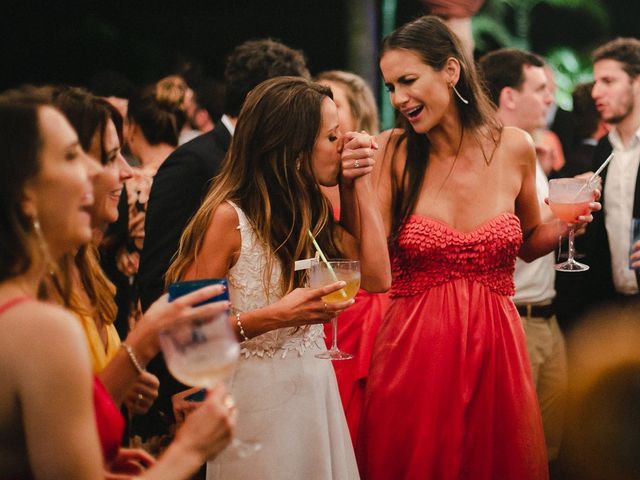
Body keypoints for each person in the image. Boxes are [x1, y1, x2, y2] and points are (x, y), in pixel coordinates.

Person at [358, 16, 599, 479]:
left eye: (408, 80)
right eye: (390, 86)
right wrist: (353, 188)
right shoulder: (392, 151)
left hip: (497, 350)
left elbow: (529, 243)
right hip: (416, 355)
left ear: (450, 71)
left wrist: (569, 227)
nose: (398, 98)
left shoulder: (514, 147)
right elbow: (371, 270)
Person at [0, 87, 235, 479]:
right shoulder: (41, 328)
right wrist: (189, 450)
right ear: (25, 193)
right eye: (73, 157)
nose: (99, 173)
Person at [166, 76, 391, 480]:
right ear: (293, 150)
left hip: (314, 396)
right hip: (254, 405)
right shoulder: (227, 219)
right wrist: (275, 316)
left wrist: (359, 183)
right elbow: (187, 334)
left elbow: (377, 277)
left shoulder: (312, 213)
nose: (345, 145)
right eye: (333, 137)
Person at [134, 38, 311, 449]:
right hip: (207, 383)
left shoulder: (282, 171)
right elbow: (159, 279)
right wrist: (183, 383)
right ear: (258, 101)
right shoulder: (193, 163)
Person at [479, 48, 567, 464]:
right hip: (514, 318)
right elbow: (514, 236)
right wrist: (564, 209)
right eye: (541, 89)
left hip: (548, 318)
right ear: (509, 96)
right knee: (516, 451)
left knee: (552, 448)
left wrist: (568, 220)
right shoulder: (488, 155)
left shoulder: (530, 153)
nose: (551, 98)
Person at [315, 69, 390, 448]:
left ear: (356, 119)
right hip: (317, 313)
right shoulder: (310, 180)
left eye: (335, 106)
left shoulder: (374, 174)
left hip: (364, 312)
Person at [582, 37, 640, 316]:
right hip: (613, 306)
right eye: (596, 82)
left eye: (608, 81)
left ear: (637, 81)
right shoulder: (605, 148)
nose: (595, 92)